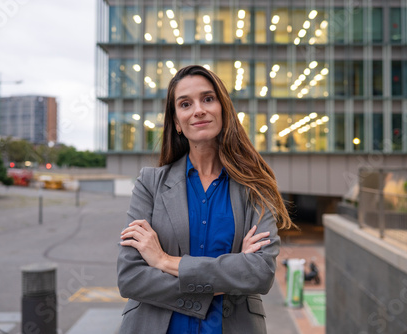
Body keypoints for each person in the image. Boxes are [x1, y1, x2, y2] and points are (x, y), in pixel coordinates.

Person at [117, 65, 294, 334]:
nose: (198, 109)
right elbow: (131, 278)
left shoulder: (256, 186)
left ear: (222, 108)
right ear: (177, 121)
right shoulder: (150, 184)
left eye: (208, 99)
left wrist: (165, 261)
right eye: (185, 104)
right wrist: (231, 276)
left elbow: (259, 273)